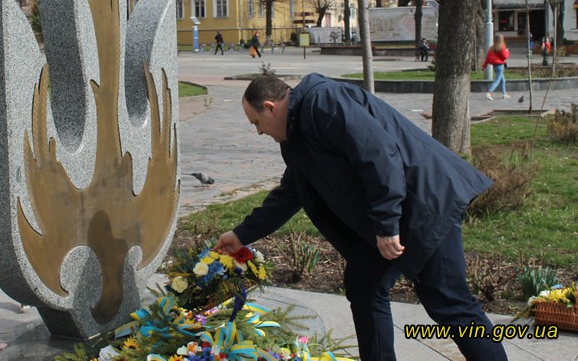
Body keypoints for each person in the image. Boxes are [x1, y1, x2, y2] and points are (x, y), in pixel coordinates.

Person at [214, 74, 507, 361]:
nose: (259, 132)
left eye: (256, 123)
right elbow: (291, 193)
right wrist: (240, 235)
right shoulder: (296, 134)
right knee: (364, 287)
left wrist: (387, 225)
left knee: (449, 302)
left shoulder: (324, 101)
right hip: (390, 217)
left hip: (426, 204)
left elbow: (378, 156)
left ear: (270, 107)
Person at [482, 34, 511, 100]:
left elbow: (487, 58)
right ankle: (489, 93)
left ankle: (504, 94)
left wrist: (484, 66)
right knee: (497, 80)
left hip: (495, 66)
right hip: (500, 66)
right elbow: (505, 57)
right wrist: (507, 52)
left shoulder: (491, 48)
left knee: (502, 80)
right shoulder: (502, 47)